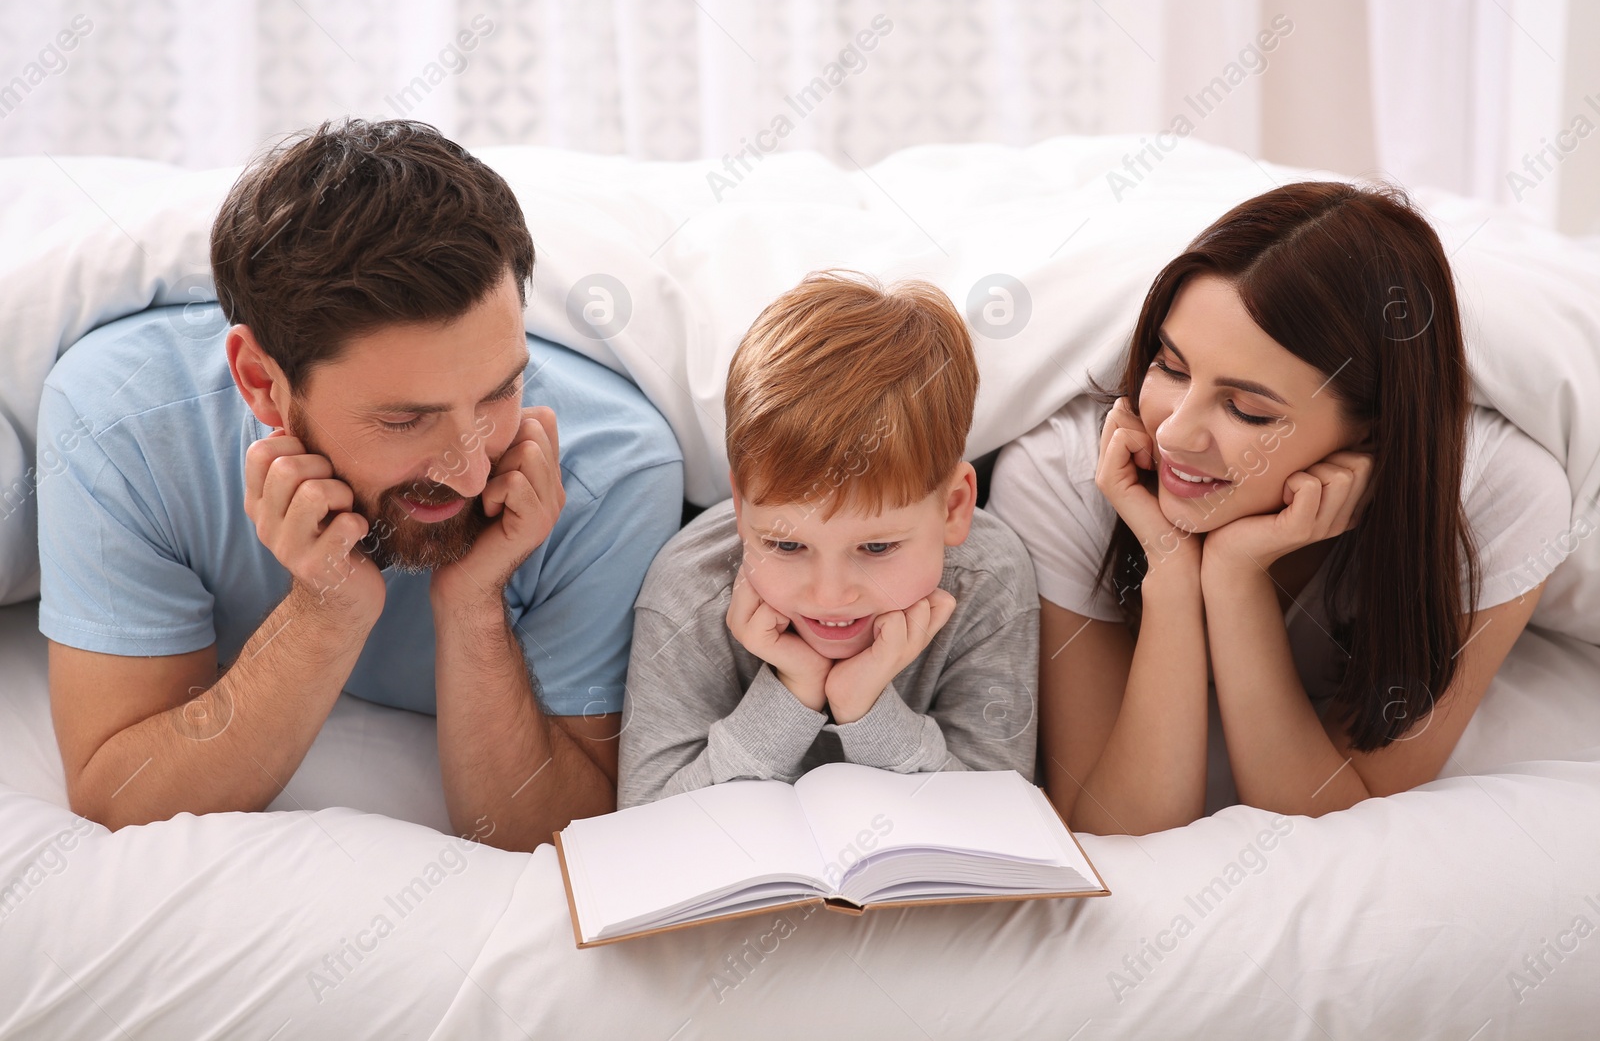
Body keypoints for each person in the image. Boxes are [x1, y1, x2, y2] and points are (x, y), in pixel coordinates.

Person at [37, 118, 684, 849]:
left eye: (501, 391)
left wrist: (475, 605)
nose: (473, 471)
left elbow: (553, 842)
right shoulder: (125, 421)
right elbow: (117, 798)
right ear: (261, 383)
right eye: (406, 420)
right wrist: (324, 613)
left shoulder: (612, 474)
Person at [988, 181, 1574, 835]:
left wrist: (1236, 579)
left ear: (1372, 432)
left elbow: (1337, 821)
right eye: (1171, 367)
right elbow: (1117, 830)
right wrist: (1172, 572)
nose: (1175, 433)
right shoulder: (1064, 471)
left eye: (1247, 408)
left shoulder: (1499, 494)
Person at [617, 271, 1039, 808]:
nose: (830, 596)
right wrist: (792, 695)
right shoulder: (688, 590)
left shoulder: (988, 581)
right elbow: (641, 832)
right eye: (787, 545)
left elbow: (1000, 826)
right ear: (742, 512)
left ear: (955, 507)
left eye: (877, 548)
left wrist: (865, 707)